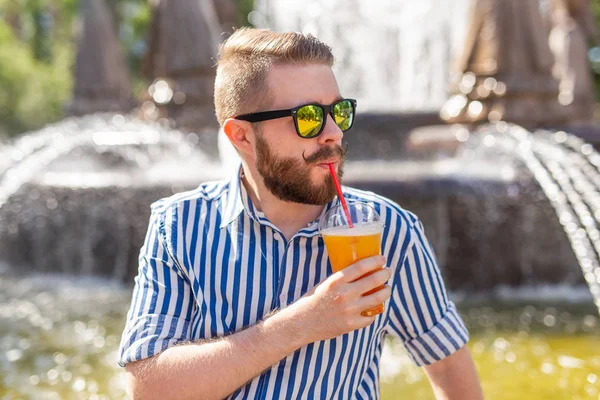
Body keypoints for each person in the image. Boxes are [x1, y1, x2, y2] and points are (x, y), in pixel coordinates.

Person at [118, 28, 484, 400]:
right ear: (241, 136)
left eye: (339, 112)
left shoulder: (389, 230)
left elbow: (448, 366)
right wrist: (304, 322)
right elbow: (148, 389)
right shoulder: (178, 227)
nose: (332, 134)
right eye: (307, 117)